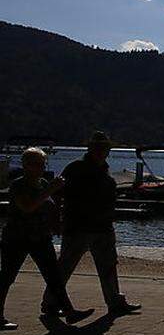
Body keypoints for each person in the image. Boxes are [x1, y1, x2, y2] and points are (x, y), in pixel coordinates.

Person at [44, 131, 140, 316]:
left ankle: (115, 302)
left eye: (104, 148)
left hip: (103, 226)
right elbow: (56, 194)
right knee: (65, 266)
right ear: (90, 148)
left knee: (109, 265)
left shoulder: (104, 170)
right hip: (78, 226)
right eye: (98, 147)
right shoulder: (75, 168)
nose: (102, 151)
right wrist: (56, 219)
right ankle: (50, 303)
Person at [0, 148, 94, 329]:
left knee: (54, 276)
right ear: (26, 165)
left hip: (41, 237)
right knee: (7, 277)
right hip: (17, 238)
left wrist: (56, 223)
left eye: (42, 164)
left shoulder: (42, 182)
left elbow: (48, 205)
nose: (41, 168)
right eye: (36, 164)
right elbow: (28, 207)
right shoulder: (18, 185)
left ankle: (69, 311)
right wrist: (50, 189)